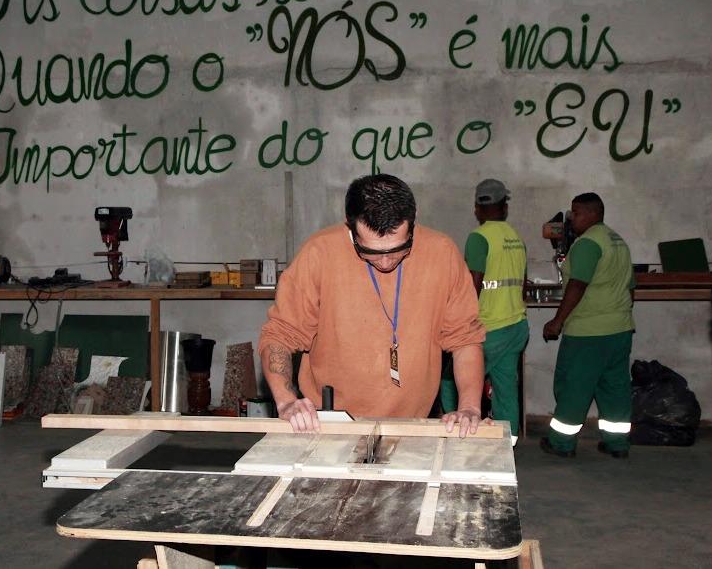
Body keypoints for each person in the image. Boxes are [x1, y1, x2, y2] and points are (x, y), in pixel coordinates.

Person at [258, 174, 486, 437]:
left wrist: (469, 407)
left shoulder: (442, 253)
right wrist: (286, 402)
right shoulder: (319, 253)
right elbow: (279, 336)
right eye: (371, 252)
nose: (386, 262)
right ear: (350, 224)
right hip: (328, 424)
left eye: (399, 249)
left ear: (413, 222)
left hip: (413, 425)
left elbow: (466, 339)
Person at [541, 192, 635, 458]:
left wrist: (557, 321)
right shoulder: (617, 241)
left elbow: (577, 285)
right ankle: (617, 444)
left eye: (577, 213)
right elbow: (630, 287)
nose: (572, 219)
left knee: (574, 386)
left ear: (594, 214)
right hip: (620, 328)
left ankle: (561, 443)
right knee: (614, 387)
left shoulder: (587, 244)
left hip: (589, 332)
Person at [440, 179, 528, 445]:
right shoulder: (515, 237)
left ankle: (454, 436)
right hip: (516, 326)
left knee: (450, 380)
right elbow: (521, 282)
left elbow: (472, 286)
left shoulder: (479, 238)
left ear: (478, 207)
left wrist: (456, 324)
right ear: (504, 206)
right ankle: (507, 444)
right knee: (505, 390)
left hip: (489, 329)